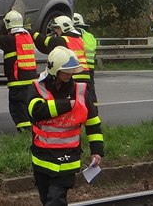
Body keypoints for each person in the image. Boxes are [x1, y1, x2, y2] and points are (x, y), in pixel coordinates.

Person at [27, 46, 104, 205]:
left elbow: (93, 123)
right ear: (54, 70)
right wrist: (66, 105)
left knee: (55, 200)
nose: (69, 75)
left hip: (68, 157)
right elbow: (36, 111)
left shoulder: (80, 91)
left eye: (71, 71)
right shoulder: (37, 87)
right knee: (46, 199)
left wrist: (97, 151)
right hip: (42, 158)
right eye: (66, 71)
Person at [0, 10, 38, 133]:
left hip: (17, 82)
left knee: (18, 109)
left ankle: (24, 132)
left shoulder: (10, 40)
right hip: (31, 81)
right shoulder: (27, 36)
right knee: (29, 108)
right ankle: (32, 131)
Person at [31, 15, 96, 107]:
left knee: (73, 102)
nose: (56, 32)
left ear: (63, 28)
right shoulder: (80, 39)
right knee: (86, 100)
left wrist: (31, 32)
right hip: (85, 74)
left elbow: (45, 41)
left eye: (57, 29)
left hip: (73, 74)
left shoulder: (62, 40)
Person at [72, 13, 97, 85]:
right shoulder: (90, 36)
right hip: (90, 68)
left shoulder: (75, 35)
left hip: (79, 68)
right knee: (90, 92)